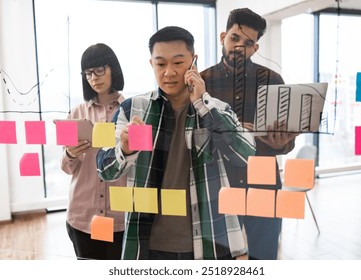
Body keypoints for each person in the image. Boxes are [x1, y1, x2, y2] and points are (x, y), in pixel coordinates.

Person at [96, 26, 256, 260]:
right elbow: (103, 169)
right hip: (147, 243)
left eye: (178, 63)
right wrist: (125, 149)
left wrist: (202, 104)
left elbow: (244, 155)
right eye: (160, 64)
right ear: (151, 64)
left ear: (194, 62)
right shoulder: (132, 109)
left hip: (208, 240)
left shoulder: (217, 109)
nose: (168, 72)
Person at [200, 8, 297, 260]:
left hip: (263, 179)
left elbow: (287, 139)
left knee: (263, 256)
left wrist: (282, 143)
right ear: (223, 36)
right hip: (218, 180)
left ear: (255, 48)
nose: (239, 47)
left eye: (248, 43)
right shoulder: (202, 82)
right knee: (218, 258)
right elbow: (194, 139)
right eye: (234, 38)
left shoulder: (273, 79)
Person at [60, 43, 127, 260]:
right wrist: (70, 153)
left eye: (99, 70)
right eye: (88, 73)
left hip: (120, 216)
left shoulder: (132, 110)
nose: (94, 77)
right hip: (83, 215)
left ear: (113, 69)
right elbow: (66, 167)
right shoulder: (77, 113)